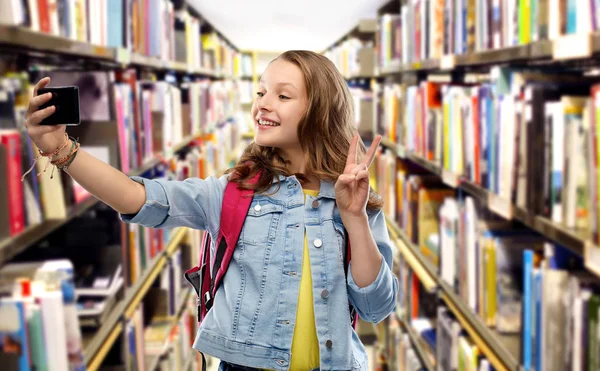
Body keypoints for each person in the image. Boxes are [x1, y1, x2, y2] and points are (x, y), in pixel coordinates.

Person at [25, 50, 398, 371]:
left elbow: (375, 306)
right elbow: (138, 197)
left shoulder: (354, 200)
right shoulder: (233, 193)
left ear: (321, 111)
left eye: (283, 96)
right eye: (261, 91)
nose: (263, 103)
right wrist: (63, 150)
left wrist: (354, 217)